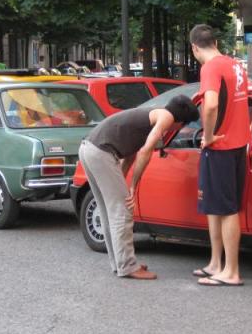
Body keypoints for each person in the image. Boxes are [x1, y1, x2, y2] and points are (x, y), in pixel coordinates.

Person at [78, 95, 199, 280]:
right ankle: (128, 266)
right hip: (101, 152)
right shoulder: (165, 118)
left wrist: (124, 181)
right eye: (183, 126)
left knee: (108, 210)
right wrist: (133, 187)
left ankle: (120, 263)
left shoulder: (149, 115)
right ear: (180, 121)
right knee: (123, 210)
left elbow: (131, 153)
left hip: (89, 148)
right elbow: (146, 150)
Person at [190, 24, 250, 286]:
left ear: (194, 48)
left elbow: (213, 104)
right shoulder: (234, 64)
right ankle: (216, 263)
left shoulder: (210, 68)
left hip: (221, 146)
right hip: (238, 143)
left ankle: (231, 271)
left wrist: (209, 135)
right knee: (216, 207)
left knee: (226, 209)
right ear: (215, 42)